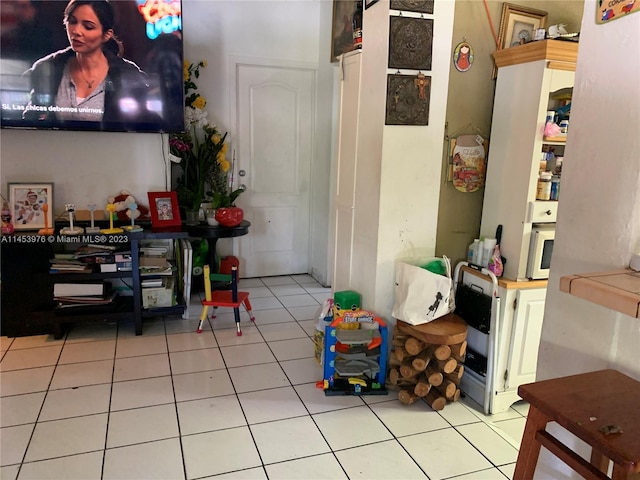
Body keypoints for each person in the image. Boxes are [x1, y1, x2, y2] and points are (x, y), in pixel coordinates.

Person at [22, 0, 156, 129]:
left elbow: (141, 125)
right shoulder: (48, 69)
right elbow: (31, 119)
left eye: (88, 26)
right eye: (72, 22)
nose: (76, 31)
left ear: (106, 35)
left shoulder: (128, 76)